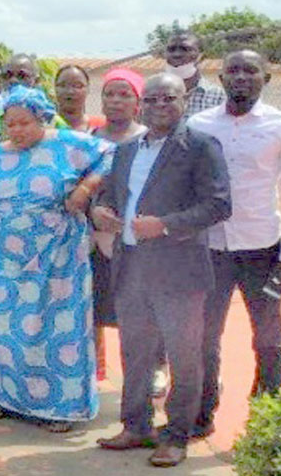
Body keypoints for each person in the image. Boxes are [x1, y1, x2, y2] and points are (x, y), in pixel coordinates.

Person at [91, 73, 231, 467]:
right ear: (141, 105)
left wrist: (165, 224)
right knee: (135, 352)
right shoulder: (128, 149)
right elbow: (110, 195)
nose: (159, 106)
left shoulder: (201, 146)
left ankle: (176, 436)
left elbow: (219, 204)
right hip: (131, 265)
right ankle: (135, 426)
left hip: (179, 271)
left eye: (168, 98)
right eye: (151, 100)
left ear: (184, 100)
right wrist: (98, 211)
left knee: (184, 357)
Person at [0, 86, 112, 432]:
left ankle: (62, 409)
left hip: (59, 255)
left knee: (58, 329)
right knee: (9, 330)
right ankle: (9, 399)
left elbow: (114, 154)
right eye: (11, 124)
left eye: (25, 123)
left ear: (42, 119)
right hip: (8, 260)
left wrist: (85, 188)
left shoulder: (68, 143)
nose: (17, 131)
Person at [187, 49, 281, 439]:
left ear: (266, 78)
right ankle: (202, 412)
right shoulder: (198, 125)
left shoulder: (279, 126)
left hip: (263, 248)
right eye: (233, 71)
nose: (241, 77)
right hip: (209, 248)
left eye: (250, 71)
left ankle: (266, 419)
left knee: (269, 338)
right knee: (204, 336)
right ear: (221, 78)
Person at [89, 68, 148, 383]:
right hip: (96, 240)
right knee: (94, 310)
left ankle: (144, 377)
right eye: (109, 94)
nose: (115, 101)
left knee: (137, 315)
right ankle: (93, 374)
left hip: (138, 243)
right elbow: (74, 187)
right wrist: (93, 211)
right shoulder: (88, 140)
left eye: (124, 94)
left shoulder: (150, 139)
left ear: (138, 102)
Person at [165, 32, 227, 116]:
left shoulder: (218, 96)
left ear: (200, 55)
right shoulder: (151, 95)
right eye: (171, 49)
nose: (177, 54)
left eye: (185, 49)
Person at [55, 65, 104, 133]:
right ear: (55, 89)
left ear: (88, 89)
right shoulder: (44, 127)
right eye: (63, 85)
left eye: (77, 86)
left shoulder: (101, 127)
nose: (70, 91)